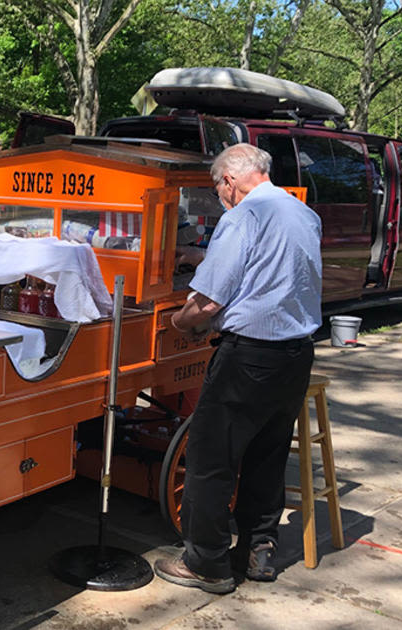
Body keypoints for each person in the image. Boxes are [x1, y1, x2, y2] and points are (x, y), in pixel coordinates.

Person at [154, 143, 322, 594]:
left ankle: (206, 563)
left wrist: (180, 321)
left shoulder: (242, 217)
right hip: (296, 353)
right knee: (267, 455)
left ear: (230, 180)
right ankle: (259, 550)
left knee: (212, 459)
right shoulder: (302, 213)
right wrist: (203, 262)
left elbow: (209, 301)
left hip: (249, 356)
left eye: (217, 188)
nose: (220, 197)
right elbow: (270, 271)